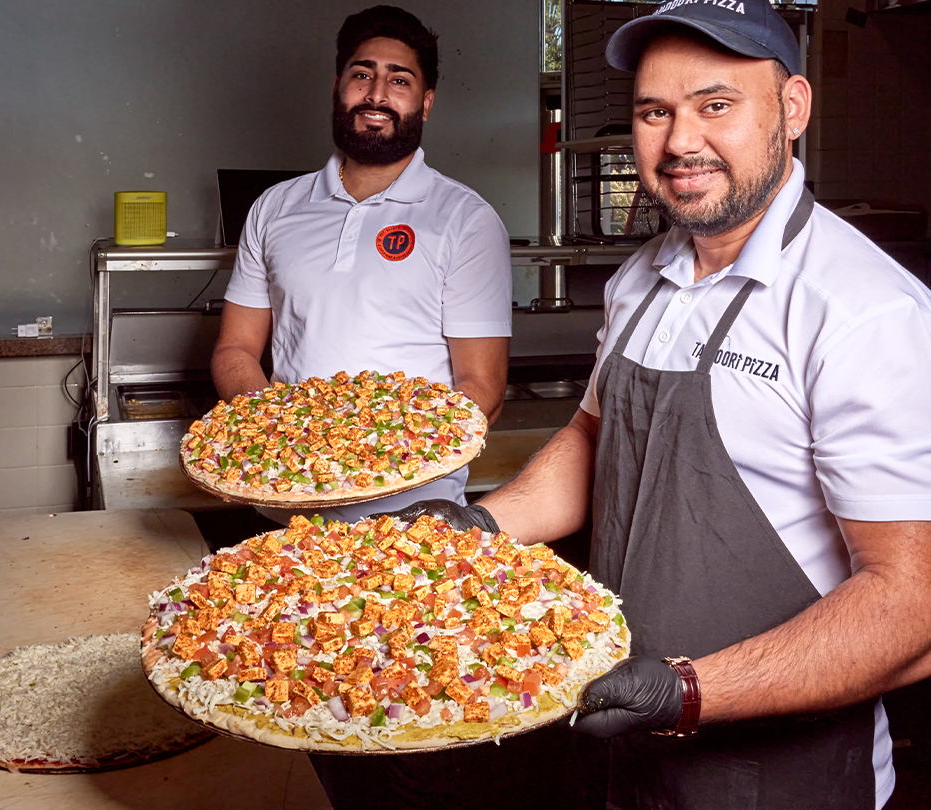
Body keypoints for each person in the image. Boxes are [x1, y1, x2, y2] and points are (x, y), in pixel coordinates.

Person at [391, 1, 931, 808]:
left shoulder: (863, 309)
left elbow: (912, 605)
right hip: (621, 746)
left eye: (716, 105)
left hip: (779, 779)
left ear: (792, 108)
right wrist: (485, 527)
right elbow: (592, 437)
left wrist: (688, 693)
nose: (680, 142)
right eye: (655, 112)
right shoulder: (642, 278)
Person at [210, 4, 511, 532]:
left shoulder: (466, 219)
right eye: (362, 74)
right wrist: (284, 429)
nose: (377, 94)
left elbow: (481, 384)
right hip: (284, 503)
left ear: (426, 102)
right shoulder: (274, 208)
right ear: (337, 87)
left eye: (400, 80)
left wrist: (374, 454)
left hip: (415, 517)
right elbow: (235, 348)